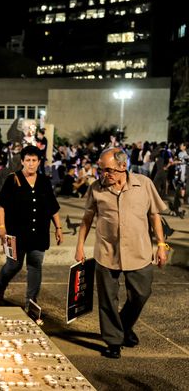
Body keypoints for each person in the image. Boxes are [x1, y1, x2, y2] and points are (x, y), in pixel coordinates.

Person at [74, 148, 168, 359]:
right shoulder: (96, 189)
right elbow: (87, 219)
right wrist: (80, 246)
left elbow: (154, 216)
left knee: (141, 294)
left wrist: (161, 245)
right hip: (107, 252)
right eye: (101, 169)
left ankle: (124, 326)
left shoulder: (144, 184)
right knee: (108, 299)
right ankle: (113, 341)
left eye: (108, 170)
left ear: (123, 167)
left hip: (139, 251)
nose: (103, 174)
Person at [0, 145, 63, 310]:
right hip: (16, 233)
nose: (31, 164)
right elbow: (1, 205)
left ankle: (31, 302)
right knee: (13, 265)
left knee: (35, 266)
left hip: (39, 233)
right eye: (27, 160)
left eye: (34, 160)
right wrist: (1, 227)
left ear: (39, 162)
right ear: (22, 161)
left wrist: (58, 228)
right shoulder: (13, 179)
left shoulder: (45, 182)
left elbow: (53, 207)